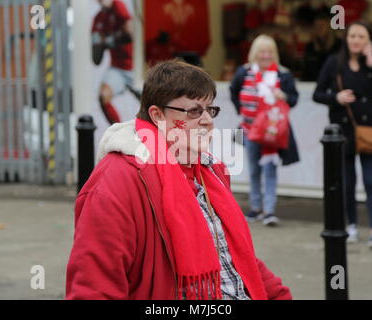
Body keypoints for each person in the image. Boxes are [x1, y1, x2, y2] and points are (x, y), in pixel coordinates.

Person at [66, 60, 292, 300]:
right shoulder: (118, 180)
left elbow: (238, 257)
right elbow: (93, 288)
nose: (207, 120)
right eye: (194, 111)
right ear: (157, 115)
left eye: (210, 109)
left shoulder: (209, 171)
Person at [313, 21, 372, 249]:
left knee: (371, 182)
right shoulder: (333, 63)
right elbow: (317, 94)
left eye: (361, 37)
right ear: (346, 38)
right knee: (347, 183)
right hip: (343, 133)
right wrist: (336, 97)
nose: (356, 40)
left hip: (370, 132)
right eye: (352, 36)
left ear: (369, 41)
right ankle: (351, 226)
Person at [230, 35, 300, 226]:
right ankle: (255, 208)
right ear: (255, 53)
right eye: (262, 51)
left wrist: (283, 95)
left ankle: (269, 210)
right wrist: (242, 112)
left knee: (270, 170)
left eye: (269, 51)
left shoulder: (282, 74)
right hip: (249, 129)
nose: (266, 55)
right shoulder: (244, 72)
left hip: (272, 132)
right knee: (253, 170)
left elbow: (293, 99)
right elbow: (234, 91)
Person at [91, 0, 138, 125]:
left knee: (154, 103)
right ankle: (119, 133)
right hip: (117, 69)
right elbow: (96, 59)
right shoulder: (98, 20)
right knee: (103, 96)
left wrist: (107, 41)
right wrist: (98, 45)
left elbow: (130, 32)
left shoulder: (119, 6)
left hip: (137, 69)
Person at [301, 12, 342, 81]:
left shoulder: (339, 44)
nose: (319, 29)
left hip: (332, 82)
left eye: (322, 26)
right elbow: (307, 68)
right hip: (312, 82)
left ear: (329, 27)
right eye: (316, 26)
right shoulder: (310, 46)